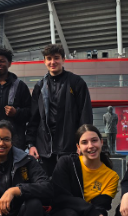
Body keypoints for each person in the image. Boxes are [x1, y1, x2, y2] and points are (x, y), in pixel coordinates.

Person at [26, 43, 93, 176]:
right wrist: (31, 144)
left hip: (70, 149)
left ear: (63, 59)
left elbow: (85, 116)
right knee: (47, 189)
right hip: (44, 151)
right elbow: (33, 118)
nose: (53, 62)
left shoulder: (76, 82)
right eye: (49, 58)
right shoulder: (39, 86)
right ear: (44, 61)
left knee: (69, 189)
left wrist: (83, 142)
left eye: (56, 58)